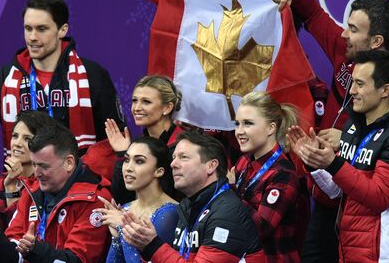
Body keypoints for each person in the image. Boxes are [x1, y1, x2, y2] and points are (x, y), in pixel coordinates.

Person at [269, 0, 389, 262]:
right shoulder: (346, 54)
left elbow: (386, 185)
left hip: (371, 226)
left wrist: (344, 143)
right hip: (329, 205)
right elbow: (313, 12)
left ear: (376, 41)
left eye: (353, 29)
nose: (344, 34)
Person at [288, 50, 389, 263]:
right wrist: (315, 160)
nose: (352, 90)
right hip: (349, 248)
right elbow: (336, 190)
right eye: (353, 82)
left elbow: (379, 197)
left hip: (383, 256)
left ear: (385, 90)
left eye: (360, 84)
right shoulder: (353, 127)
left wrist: (333, 162)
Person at [0, 0, 124, 157]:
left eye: (41, 29)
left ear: (62, 30)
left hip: (79, 183)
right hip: (24, 183)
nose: (32, 37)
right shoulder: (7, 77)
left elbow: (114, 141)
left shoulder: (92, 75)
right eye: (28, 29)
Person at [0, 121, 113, 263]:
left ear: (69, 163)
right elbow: (14, 258)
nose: (36, 173)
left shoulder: (95, 200)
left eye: (44, 166)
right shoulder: (31, 192)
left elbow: (77, 260)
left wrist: (36, 250)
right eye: (34, 164)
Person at [118, 131, 266, 263]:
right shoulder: (188, 206)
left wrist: (152, 246)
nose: (173, 164)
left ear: (211, 166)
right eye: (174, 157)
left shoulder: (227, 213)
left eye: (184, 157)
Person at [231, 91, 302, 263]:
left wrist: (229, 191)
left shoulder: (283, 173)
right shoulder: (243, 160)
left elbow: (262, 228)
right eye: (237, 124)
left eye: (248, 124)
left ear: (271, 128)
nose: (239, 131)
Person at [94, 136, 179, 263]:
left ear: (159, 171)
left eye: (139, 161)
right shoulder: (125, 208)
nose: (128, 168)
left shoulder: (170, 213)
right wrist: (117, 238)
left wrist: (123, 228)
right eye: (127, 160)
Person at [106, 75, 183, 205]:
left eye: (146, 102)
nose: (136, 108)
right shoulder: (138, 144)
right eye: (134, 101)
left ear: (167, 108)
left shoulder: (183, 147)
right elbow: (122, 199)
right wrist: (122, 154)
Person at [0, 110, 53, 229]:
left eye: (27, 139)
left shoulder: (45, 183)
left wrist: (11, 188)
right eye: (15, 136)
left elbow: (20, 232)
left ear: (43, 144)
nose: (17, 143)